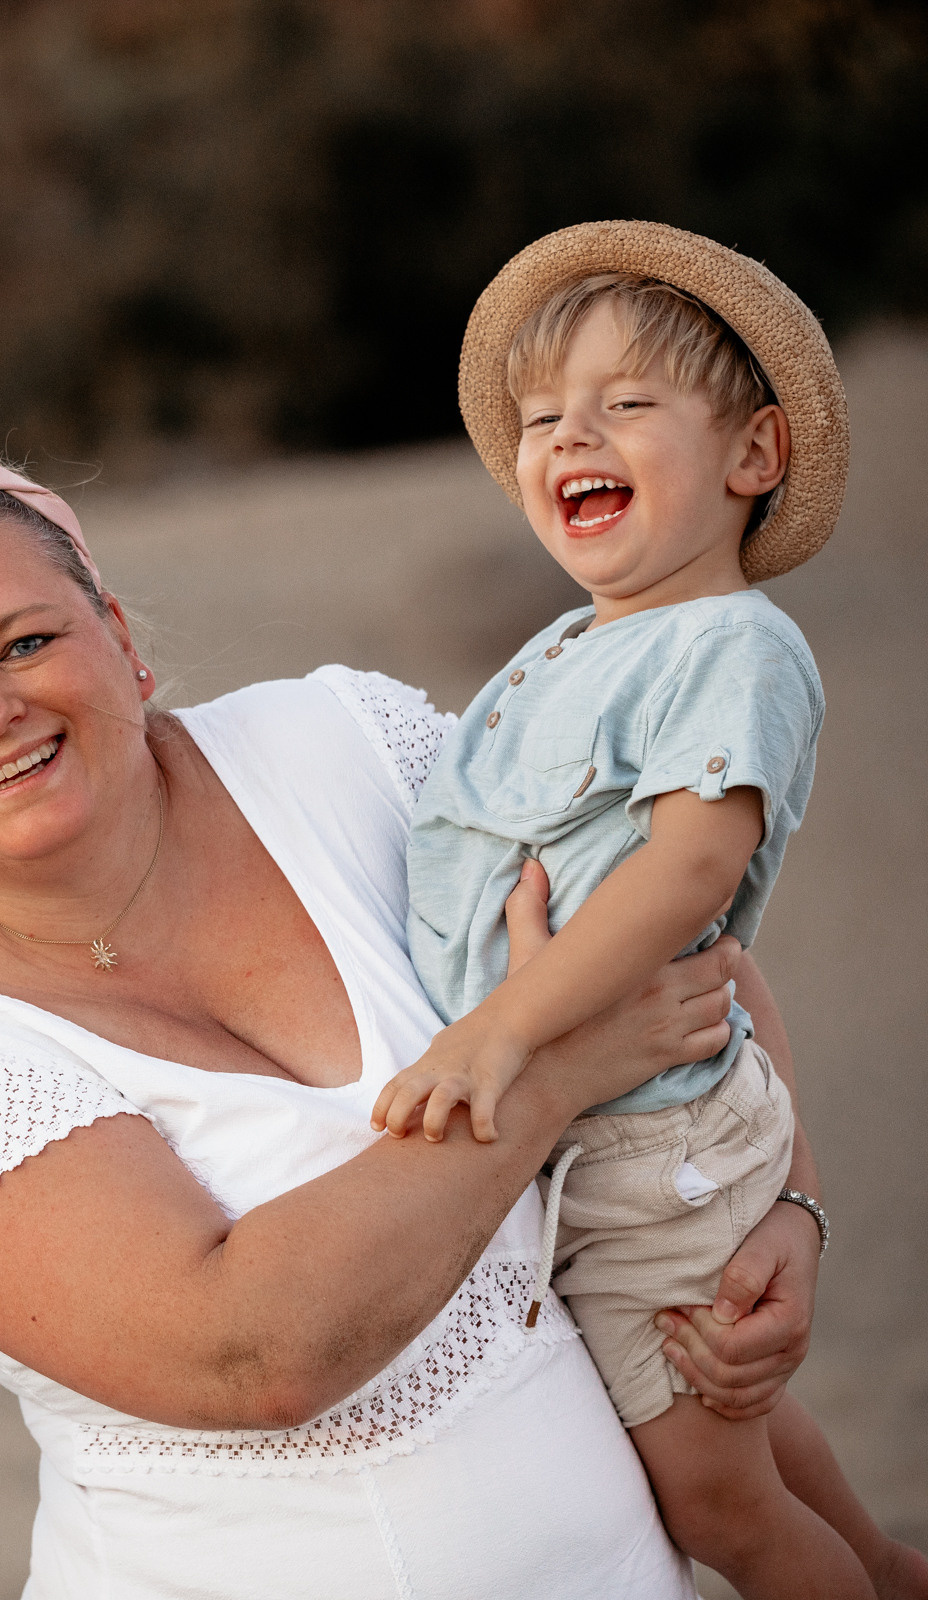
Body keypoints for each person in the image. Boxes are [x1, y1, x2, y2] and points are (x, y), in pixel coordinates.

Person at [0, 449, 839, 1595]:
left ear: (121, 640)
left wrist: (788, 1204)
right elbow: (254, 1352)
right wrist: (549, 1077)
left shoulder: (342, 747)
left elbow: (667, 939)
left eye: (25, 641)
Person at [378, 220, 924, 1597]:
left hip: (647, 1150)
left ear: (752, 457)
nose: (573, 436)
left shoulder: (734, 643)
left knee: (711, 1506)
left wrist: (503, 1029)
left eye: (627, 405)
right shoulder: (571, 644)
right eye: (545, 416)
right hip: (611, 1138)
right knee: (736, 1426)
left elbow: (691, 874)